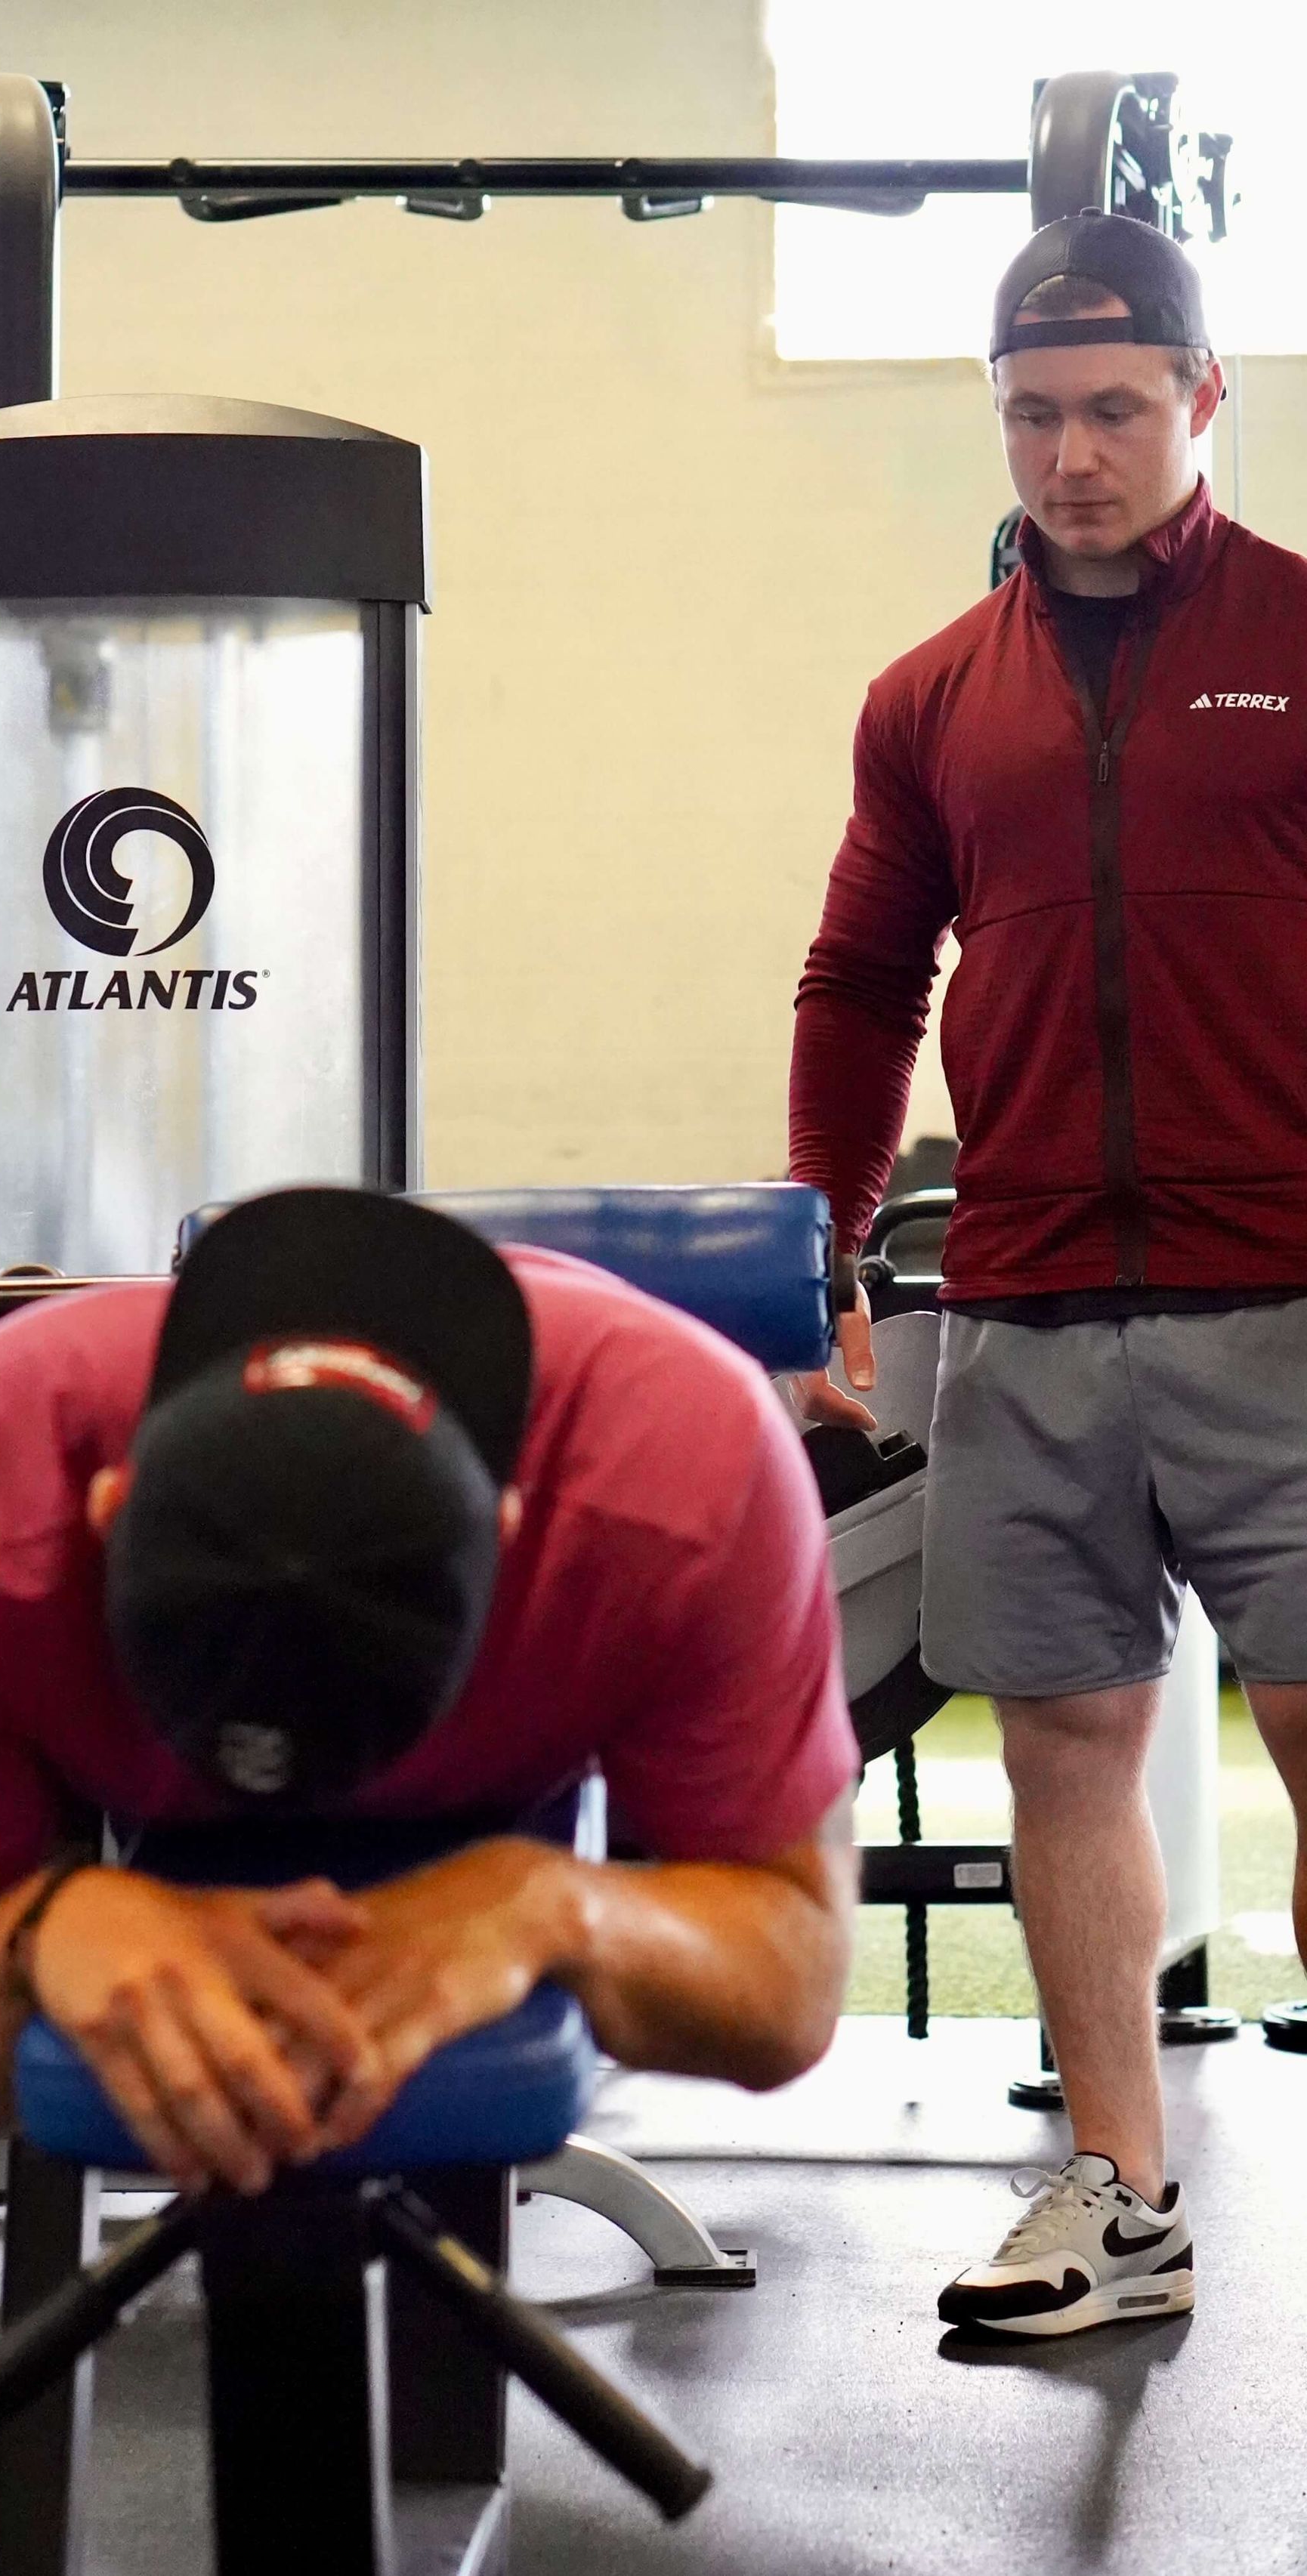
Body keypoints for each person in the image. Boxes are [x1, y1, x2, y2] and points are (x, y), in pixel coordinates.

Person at [789, 208, 1307, 2337]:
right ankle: (1120, 2195)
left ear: (1203, 401)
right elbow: (856, 980)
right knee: (1069, 1739)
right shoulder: (930, 698)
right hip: (1017, 1299)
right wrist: (819, 1257)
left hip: (1287, 1290)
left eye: (1112, 409)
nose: (1071, 454)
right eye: (1031, 414)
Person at [0, 1185, 856, 2198]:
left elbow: (794, 1980)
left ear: (507, 1535)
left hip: (516, 1769)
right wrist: (31, 1931)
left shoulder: (686, 1472)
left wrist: (558, 1905)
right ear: (106, 1512)